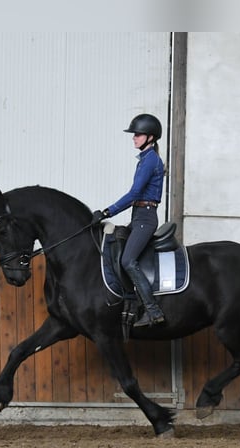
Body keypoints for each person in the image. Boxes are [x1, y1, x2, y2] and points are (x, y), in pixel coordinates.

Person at [91, 113, 166, 327]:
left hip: (145, 218)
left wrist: (107, 212)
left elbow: (134, 194)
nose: (134, 137)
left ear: (150, 137)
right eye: (134, 134)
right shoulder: (145, 159)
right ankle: (129, 303)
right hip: (138, 217)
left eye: (138, 134)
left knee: (127, 260)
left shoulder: (150, 160)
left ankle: (153, 310)